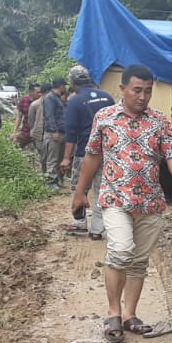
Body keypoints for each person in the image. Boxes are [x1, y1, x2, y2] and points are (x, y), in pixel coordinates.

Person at [71, 64, 172, 343]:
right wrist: (80, 192)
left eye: (148, 91)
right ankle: (113, 313)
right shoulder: (105, 117)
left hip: (150, 202)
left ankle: (129, 315)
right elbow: (92, 156)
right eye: (137, 90)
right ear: (122, 89)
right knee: (121, 251)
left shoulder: (160, 120)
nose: (143, 96)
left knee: (138, 262)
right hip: (115, 200)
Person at [61, 65, 115, 236]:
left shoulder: (75, 101)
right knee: (102, 188)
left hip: (84, 153)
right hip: (106, 152)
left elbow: (71, 133)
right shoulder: (107, 97)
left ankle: (79, 223)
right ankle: (98, 228)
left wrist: (66, 158)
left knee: (80, 187)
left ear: (73, 82)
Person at [40, 77, 68, 188]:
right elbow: (49, 115)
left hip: (61, 133)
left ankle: (57, 180)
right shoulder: (50, 98)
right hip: (53, 134)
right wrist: (54, 131)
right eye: (64, 86)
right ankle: (51, 182)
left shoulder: (58, 98)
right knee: (52, 158)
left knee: (59, 158)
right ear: (61, 86)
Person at [13, 82, 40, 148]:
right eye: (38, 92)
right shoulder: (23, 100)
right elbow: (19, 117)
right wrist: (14, 131)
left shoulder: (42, 101)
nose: (40, 94)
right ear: (31, 92)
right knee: (15, 144)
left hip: (38, 132)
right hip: (26, 131)